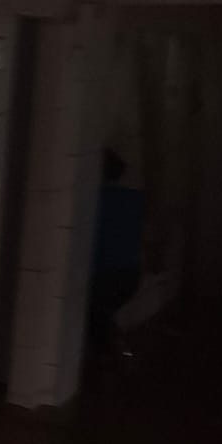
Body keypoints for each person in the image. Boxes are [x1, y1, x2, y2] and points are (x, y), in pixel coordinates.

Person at [88, 148, 145, 359]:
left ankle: (116, 356)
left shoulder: (92, 200)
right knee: (101, 316)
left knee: (95, 316)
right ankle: (118, 354)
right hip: (130, 276)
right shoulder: (134, 199)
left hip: (102, 276)